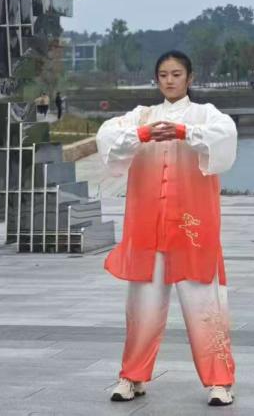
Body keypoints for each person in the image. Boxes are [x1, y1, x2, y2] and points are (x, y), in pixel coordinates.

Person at [96, 51, 238, 407]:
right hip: (148, 230)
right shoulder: (141, 116)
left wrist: (186, 133)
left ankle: (220, 381)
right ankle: (132, 376)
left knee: (205, 306)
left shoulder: (205, 115)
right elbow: (107, 137)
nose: (170, 80)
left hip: (192, 231)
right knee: (141, 307)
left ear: (190, 78)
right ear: (156, 79)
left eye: (176, 74)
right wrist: (142, 135)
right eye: (163, 75)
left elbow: (225, 136)